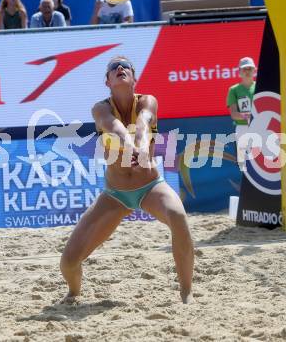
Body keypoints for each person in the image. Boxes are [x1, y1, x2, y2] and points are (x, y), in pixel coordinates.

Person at [60, 56, 194, 304]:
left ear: (134, 77)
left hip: (150, 187)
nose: (119, 68)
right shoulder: (100, 108)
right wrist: (134, 146)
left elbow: (143, 123)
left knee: (178, 216)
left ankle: (187, 293)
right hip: (115, 195)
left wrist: (142, 148)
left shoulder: (147, 101)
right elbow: (115, 128)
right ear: (107, 81)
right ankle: (74, 292)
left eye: (125, 66)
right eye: (113, 68)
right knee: (68, 262)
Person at [227, 57, 256, 169]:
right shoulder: (234, 90)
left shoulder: (260, 88)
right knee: (243, 164)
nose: (247, 71)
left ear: (254, 70)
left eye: (249, 68)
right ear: (239, 71)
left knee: (260, 163)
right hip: (242, 129)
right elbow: (234, 114)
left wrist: (254, 119)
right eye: (244, 69)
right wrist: (250, 116)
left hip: (259, 128)